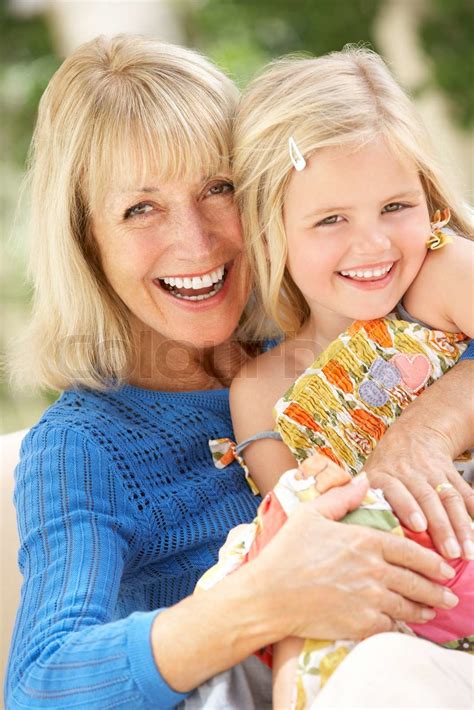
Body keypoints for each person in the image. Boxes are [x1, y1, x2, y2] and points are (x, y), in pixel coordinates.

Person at [4, 35, 474, 710]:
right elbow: (42, 685)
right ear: (87, 239)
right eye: (141, 208)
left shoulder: (334, 325)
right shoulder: (85, 444)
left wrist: (428, 427)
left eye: (217, 189)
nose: (195, 241)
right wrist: (263, 601)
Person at [201, 47, 474, 708]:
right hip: (393, 601)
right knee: (274, 547)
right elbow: (307, 548)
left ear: (429, 200)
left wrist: (429, 423)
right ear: (273, 230)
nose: (373, 245)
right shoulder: (262, 391)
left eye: (396, 206)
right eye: (330, 220)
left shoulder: (443, 273)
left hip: (456, 543)